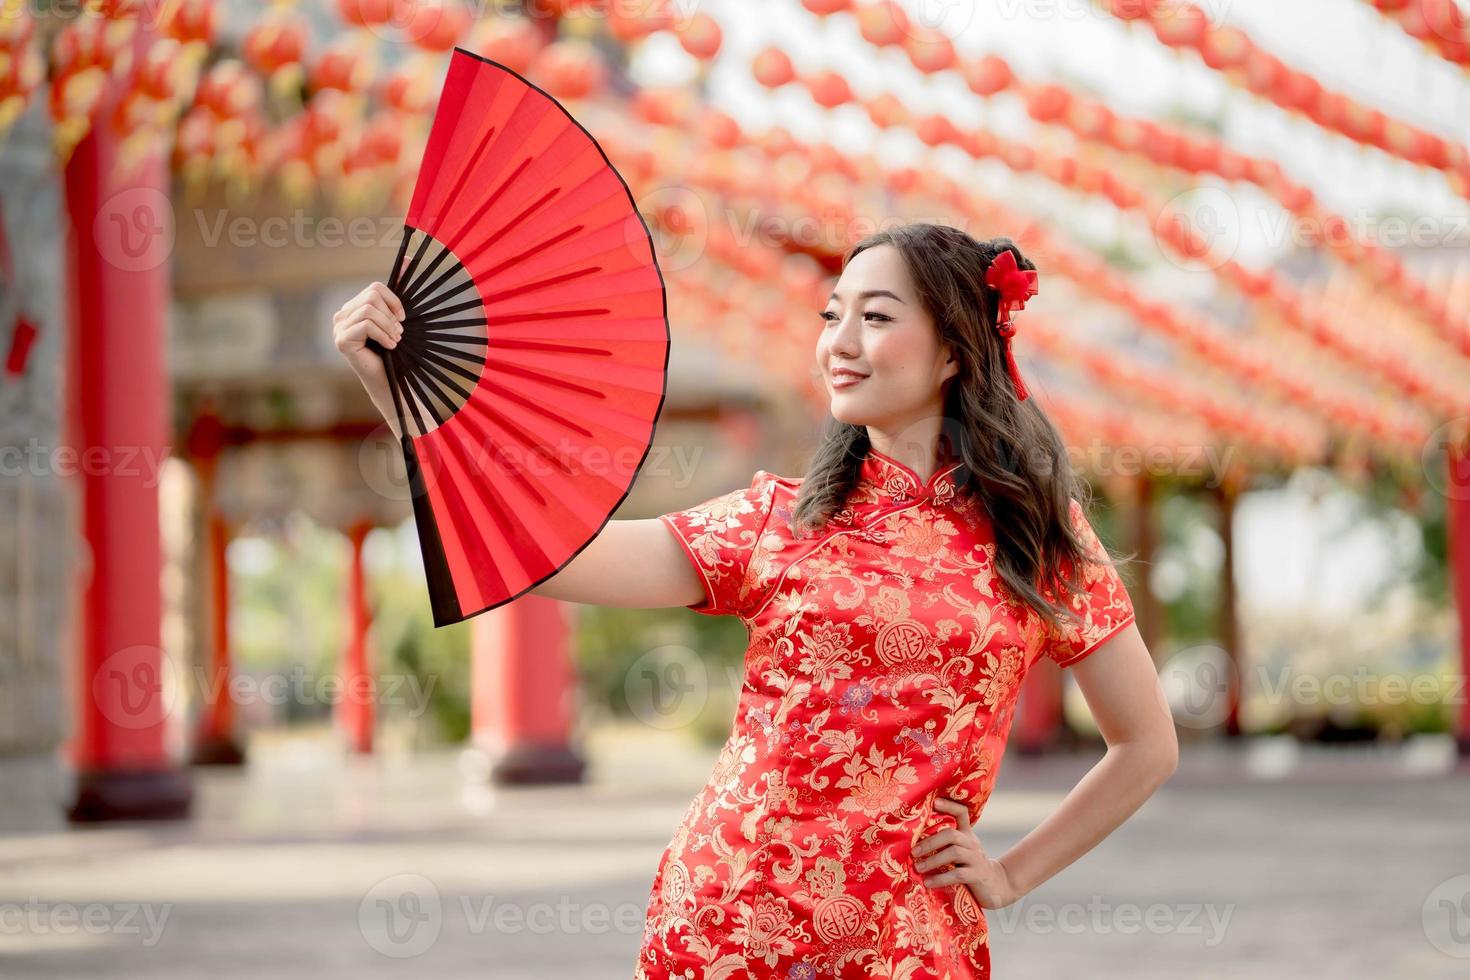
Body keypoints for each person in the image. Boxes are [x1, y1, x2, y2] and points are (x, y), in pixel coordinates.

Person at [333, 221, 1178, 978]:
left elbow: (1145, 744)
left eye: (875, 317)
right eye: (831, 316)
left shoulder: (1036, 536)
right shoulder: (778, 519)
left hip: (907, 942)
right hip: (725, 923)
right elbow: (549, 557)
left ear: (955, 349)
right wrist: (401, 397)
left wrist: (1012, 874)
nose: (838, 343)